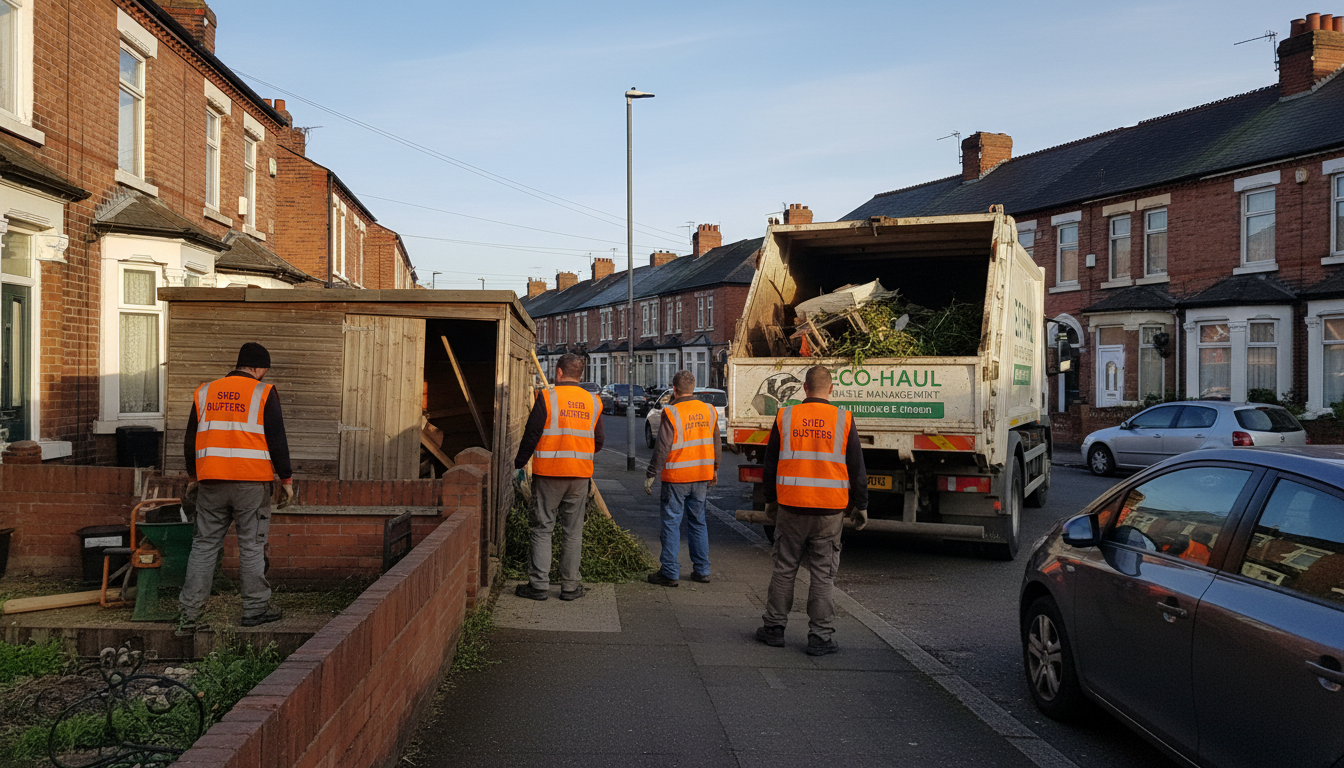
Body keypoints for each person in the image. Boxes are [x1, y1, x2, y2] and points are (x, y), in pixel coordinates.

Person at [177, 342, 294, 634]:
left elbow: (190, 439)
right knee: (251, 546)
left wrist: (193, 477)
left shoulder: (205, 392)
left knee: (203, 546)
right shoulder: (263, 392)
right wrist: (286, 480)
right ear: (258, 368)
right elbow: (277, 438)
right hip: (251, 484)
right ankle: (255, 609)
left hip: (211, 482)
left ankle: (189, 614)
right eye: (265, 370)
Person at [755, 365, 866, 656]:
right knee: (822, 574)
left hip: (791, 505)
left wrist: (770, 499)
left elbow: (770, 463)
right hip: (829, 510)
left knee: (785, 567)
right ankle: (820, 637)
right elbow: (856, 466)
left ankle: (774, 628)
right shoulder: (843, 419)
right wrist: (862, 504)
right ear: (831, 389)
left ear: (804, 388)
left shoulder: (786, 416)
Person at [514, 353, 604, 601]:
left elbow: (532, 434)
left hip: (549, 474)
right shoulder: (593, 401)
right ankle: (570, 587)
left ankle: (539, 586)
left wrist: (519, 464)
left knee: (543, 528)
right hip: (579, 476)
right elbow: (599, 441)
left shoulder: (547, 397)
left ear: (559, 372)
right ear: (580, 375)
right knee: (573, 532)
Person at [644, 370, 720, 586]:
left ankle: (669, 572)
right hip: (702, 475)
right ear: (693, 388)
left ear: (674, 389)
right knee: (698, 522)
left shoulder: (672, 412)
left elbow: (662, 447)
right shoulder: (709, 410)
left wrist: (651, 473)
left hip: (677, 477)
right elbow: (716, 443)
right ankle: (702, 570)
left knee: (671, 523)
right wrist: (715, 469)